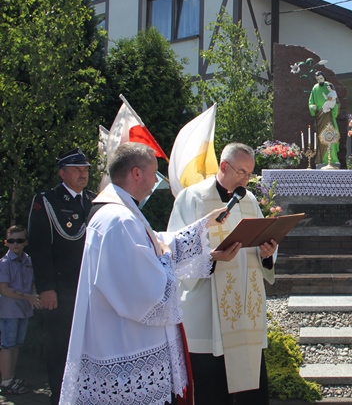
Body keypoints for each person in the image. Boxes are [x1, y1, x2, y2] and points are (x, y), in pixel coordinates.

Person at [59, 142, 230, 405]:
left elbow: (154, 244)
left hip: (124, 343)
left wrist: (204, 225)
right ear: (136, 173)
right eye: (153, 173)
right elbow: (149, 291)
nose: (155, 181)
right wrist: (168, 259)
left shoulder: (121, 211)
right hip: (127, 349)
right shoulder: (119, 220)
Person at [168, 142, 277, 405]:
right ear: (224, 166)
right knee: (211, 391)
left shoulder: (249, 200)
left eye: (249, 174)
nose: (246, 180)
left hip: (244, 315)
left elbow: (258, 246)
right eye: (241, 172)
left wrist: (266, 253)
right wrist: (212, 258)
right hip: (207, 311)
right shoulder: (192, 198)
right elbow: (173, 252)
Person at [27, 147, 95, 404]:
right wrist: (46, 287)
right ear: (62, 173)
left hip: (89, 288)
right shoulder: (47, 201)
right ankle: (60, 397)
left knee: (89, 346)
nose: (82, 174)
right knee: (60, 347)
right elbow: (39, 246)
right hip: (61, 290)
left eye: (85, 169)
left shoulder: (94, 200)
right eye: (76, 169)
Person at [0, 225, 41, 395]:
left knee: (17, 345)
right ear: (6, 243)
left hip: (24, 310)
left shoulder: (29, 261)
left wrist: (34, 296)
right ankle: (5, 381)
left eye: (19, 240)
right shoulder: (4, 263)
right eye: (11, 241)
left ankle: (11, 377)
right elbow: (4, 289)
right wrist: (28, 297)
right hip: (9, 311)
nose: (15, 244)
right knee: (7, 345)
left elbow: (32, 283)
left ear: (26, 242)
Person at [309, 71, 340, 166]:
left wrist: (333, 107)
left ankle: (333, 158)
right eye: (318, 79)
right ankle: (323, 159)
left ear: (324, 77)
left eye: (321, 78)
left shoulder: (329, 86)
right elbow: (311, 102)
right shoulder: (315, 88)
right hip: (320, 116)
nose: (320, 81)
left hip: (329, 115)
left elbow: (336, 101)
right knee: (321, 137)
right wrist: (312, 107)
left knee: (331, 134)